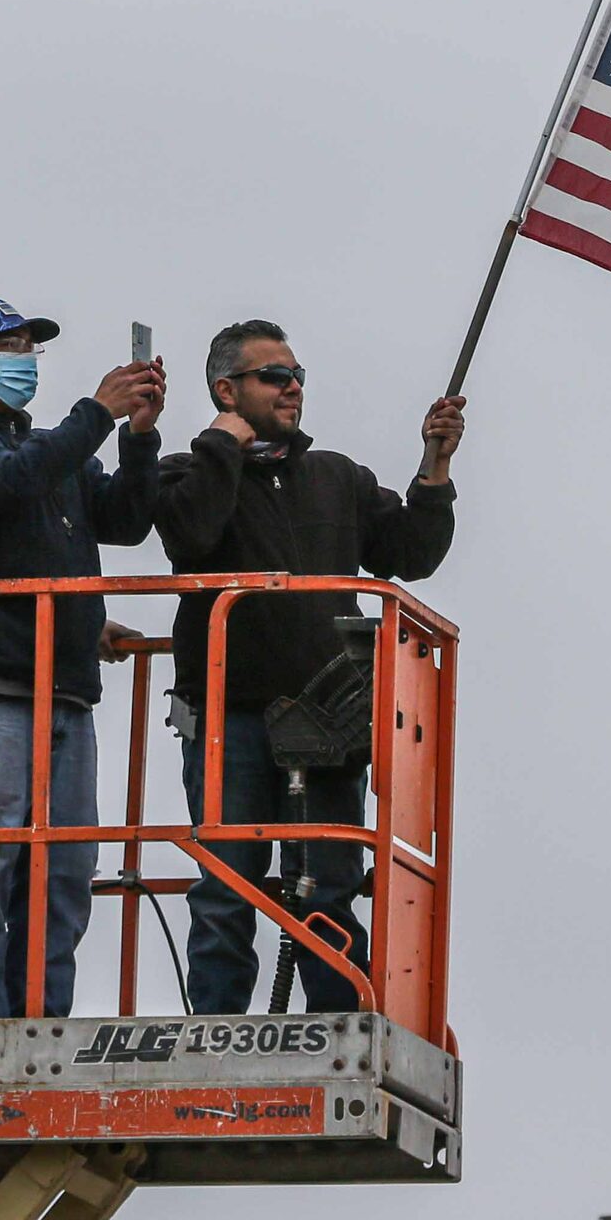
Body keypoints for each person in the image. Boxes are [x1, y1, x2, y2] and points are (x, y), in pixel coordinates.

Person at [150, 319, 464, 1014]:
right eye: (274, 376)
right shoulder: (188, 472)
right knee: (225, 887)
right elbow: (190, 534)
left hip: (327, 721)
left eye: (297, 375)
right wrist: (220, 447)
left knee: (327, 886)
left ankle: (338, 1022)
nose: (292, 387)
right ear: (226, 390)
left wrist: (434, 465)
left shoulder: (336, 476)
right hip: (227, 719)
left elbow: (409, 553)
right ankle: (215, 1029)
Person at [0, 298, 164, 1018]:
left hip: (65, 691)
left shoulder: (50, 450)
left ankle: (41, 1017)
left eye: (29, 346)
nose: (24, 357)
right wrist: (97, 413)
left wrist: (138, 437)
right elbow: (7, 481)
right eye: (9, 344)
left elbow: (123, 519)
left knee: (66, 869)